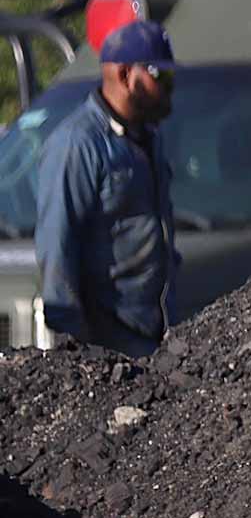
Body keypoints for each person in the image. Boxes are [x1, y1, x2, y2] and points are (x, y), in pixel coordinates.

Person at [34, 20, 180, 355]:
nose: (170, 88)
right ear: (126, 75)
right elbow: (58, 245)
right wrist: (75, 352)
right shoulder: (77, 145)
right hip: (107, 342)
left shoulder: (147, 138)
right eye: (162, 77)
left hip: (154, 336)